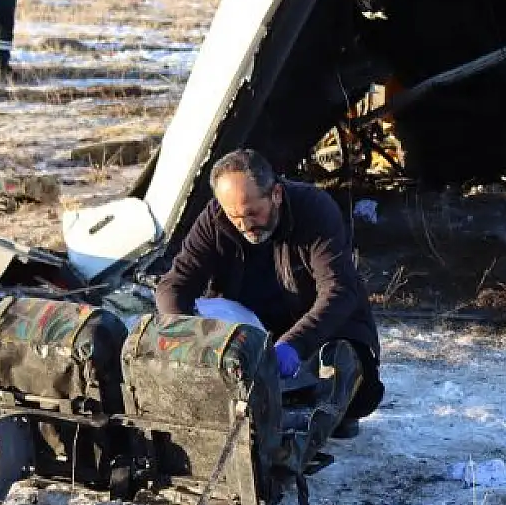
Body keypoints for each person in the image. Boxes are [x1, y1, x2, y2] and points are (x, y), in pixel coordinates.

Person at [154, 148, 383, 437]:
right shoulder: (215, 219)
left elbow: (339, 290)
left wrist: (294, 345)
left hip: (315, 331)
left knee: (343, 384)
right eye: (234, 216)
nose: (244, 225)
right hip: (253, 331)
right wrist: (183, 338)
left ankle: (318, 418)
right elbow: (174, 284)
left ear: (275, 194)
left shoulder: (314, 209)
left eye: (252, 213)